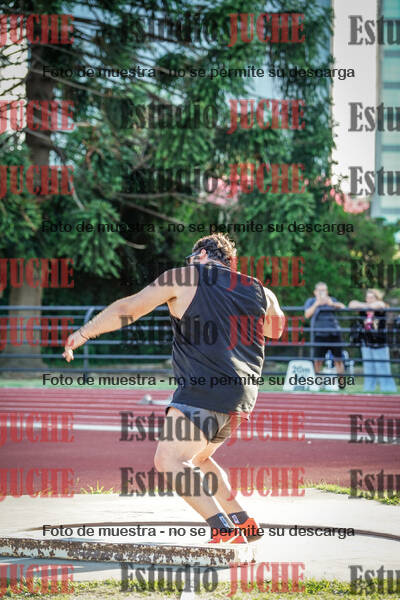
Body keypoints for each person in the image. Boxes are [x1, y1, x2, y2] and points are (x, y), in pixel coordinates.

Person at [63, 233, 285, 544]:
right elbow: (276, 329)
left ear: (203, 254)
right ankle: (243, 521)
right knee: (200, 458)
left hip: (203, 388)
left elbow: (130, 308)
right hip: (242, 396)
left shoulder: (184, 277)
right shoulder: (261, 290)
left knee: (169, 460)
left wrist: (85, 332)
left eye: (191, 259)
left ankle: (223, 529)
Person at [348, 289, 397, 393]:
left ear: (377, 298)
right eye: (367, 297)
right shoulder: (364, 309)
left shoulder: (381, 306)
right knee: (368, 369)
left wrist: (368, 305)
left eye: (372, 297)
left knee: (383, 368)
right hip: (366, 342)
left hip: (380, 343)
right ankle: (368, 390)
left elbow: (380, 304)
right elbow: (351, 304)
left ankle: (388, 390)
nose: (369, 299)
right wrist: (366, 305)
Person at [304, 282, 346, 377]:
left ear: (327, 292)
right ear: (315, 292)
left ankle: (341, 383)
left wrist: (332, 304)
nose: (322, 292)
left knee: (338, 360)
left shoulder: (332, 300)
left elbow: (343, 307)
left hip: (334, 334)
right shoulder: (311, 301)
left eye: (324, 290)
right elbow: (307, 315)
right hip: (319, 335)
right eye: (320, 290)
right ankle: (317, 382)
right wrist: (317, 304)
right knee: (317, 361)